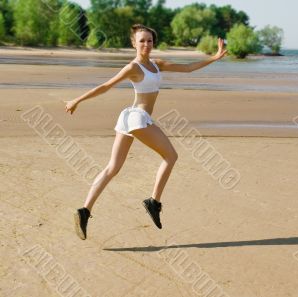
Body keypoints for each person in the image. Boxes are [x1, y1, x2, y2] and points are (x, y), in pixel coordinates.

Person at [65, 24, 227, 240]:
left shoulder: (157, 64)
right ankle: (153, 202)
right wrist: (78, 100)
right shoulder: (133, 67)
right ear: (134, 43)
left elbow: (187, 67)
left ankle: (84, 210)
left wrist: (215, 57)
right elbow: (106, 86)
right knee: (171, 156)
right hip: (137, 118)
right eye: (142, 40)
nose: (146, 44)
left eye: (149, 40)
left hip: (129, 117)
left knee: (112, 168)